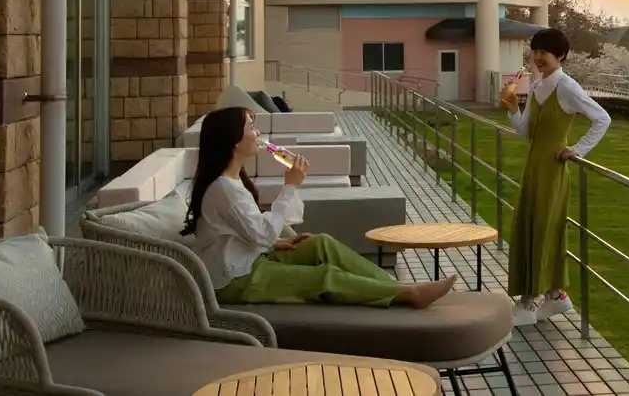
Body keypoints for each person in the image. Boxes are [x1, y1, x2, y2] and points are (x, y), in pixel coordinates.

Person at [183, 106, 456, 308]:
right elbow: (261, 233)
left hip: (248, 261)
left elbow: (245, 230)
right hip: (234, 280)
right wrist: (289, 187)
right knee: (324, 276)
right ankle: (409, 295)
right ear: (234, 140)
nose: (258, 134)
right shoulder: (225, 189)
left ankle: (398, 287)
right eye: (251, 128)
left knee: (321, 243)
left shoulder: (231, 182)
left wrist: (277, 242)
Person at [498, 28, 612, 326]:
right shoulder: (537, 86)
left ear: (560, 55)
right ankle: (554, 296)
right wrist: (513, 108)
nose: (538, 57)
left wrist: (577, 150)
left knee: (543, 230)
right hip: (533, 167)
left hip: (552, 171)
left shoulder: (567, 87)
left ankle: (528, 303)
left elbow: (602, 118)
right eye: (535, 51)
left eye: (545, 52)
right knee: (527, 227)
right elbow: (525, 131)